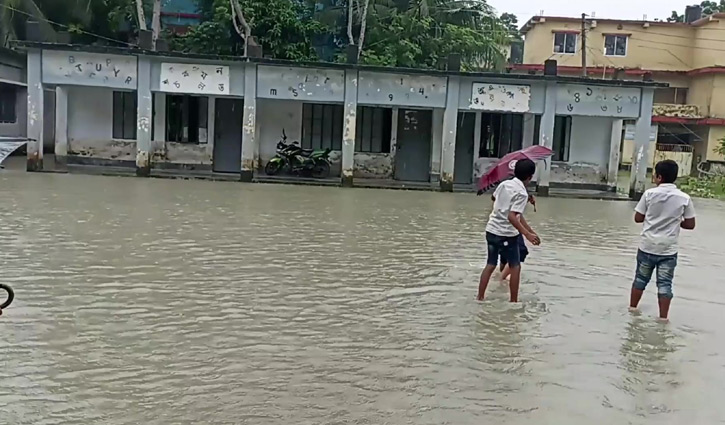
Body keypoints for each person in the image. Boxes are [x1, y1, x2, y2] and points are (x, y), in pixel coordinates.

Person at [630, 159, 696, 321]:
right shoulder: (684, 198)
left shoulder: (649, 194)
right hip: (668, 249)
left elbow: (638, 218)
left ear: (659, 177)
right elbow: (690, 224)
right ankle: (663, 318)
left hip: (647, 246)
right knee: (665, 284)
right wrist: (674, 221)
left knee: (640, 279)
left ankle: (632, 309)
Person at [477, 159, 541, 302]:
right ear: (530, 177)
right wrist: (527, 235)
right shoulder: (522, 194)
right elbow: (512, 216)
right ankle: (513, 302)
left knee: (490, 264)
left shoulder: (503, 184)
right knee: (515, 266)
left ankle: (480, 297)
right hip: (506, 234)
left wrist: (530, 231)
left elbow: (495, 199)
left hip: (491, 230)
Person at [499, 195, 536, 282]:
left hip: (500, 227)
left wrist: (530, 231)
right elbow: (514, 215)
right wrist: (528, 233)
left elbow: (518, 215)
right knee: (520, 252)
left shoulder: (504, 189)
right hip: (510, 228)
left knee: (505, 252)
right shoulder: (518, 191)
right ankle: (502, 278)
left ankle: (501, 275)